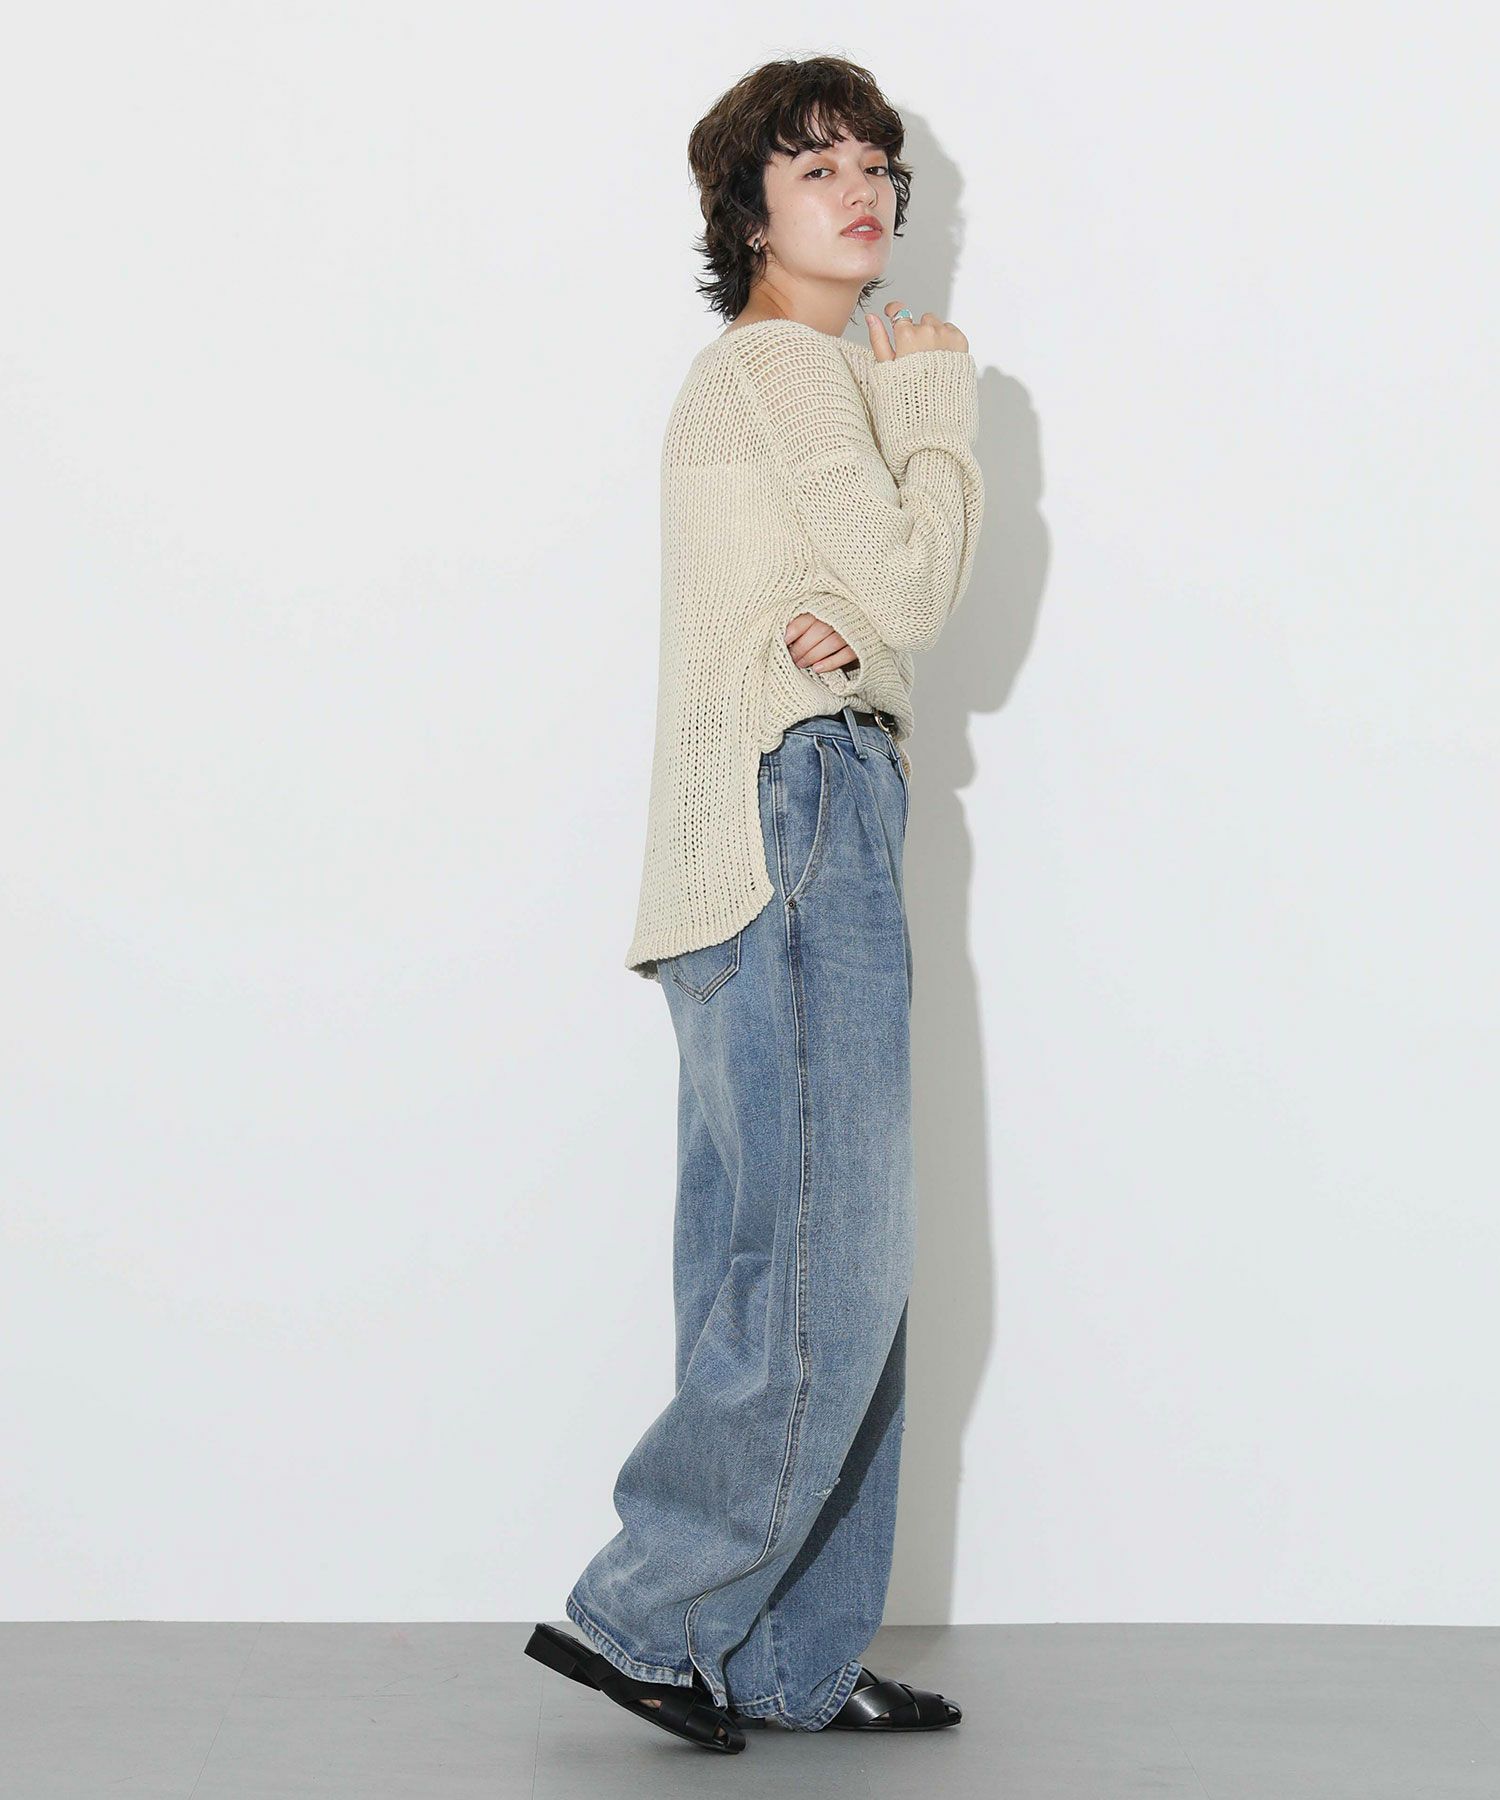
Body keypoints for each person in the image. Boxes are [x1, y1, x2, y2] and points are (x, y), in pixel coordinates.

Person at [526, 54, 984, 1752]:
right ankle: (646, 1613)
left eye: (876, 167)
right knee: (830, 1271)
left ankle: (784, 1657)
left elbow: (852, 610)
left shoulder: (764, 385)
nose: (859, 191)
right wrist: (938, 416)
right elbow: (913, 586)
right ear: (747, 212)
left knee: (779, 1264)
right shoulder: (792, 369)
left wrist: (848, 632)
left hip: (749, 842)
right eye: (816, 169)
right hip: (802, 823)